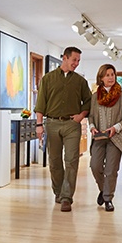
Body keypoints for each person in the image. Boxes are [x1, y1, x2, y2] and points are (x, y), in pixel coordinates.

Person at [35, 46, 92, 212]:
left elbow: (88, 102)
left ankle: (67, 197)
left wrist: (81, 115)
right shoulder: (47, 79)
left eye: (78, 61)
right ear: (65, 58)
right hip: (52, 124)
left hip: (72, 125)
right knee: (54, 161)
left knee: (72, 160)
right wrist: (39, 125)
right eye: (74, 60)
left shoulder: (80, 82)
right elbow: (41, 103)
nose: (76, 63)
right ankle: (58, 192)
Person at [87, 63, 122, 211]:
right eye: (107, 75)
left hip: (115, 138)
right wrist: (92, 127)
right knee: (95, 166)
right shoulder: (95, 97)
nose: (111, 77)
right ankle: (103, 189)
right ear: (101, 78)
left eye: (112, 74)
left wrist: (115, 128)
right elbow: (91, 116)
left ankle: (108, 198)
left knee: (111, 170)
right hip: (99, 138)